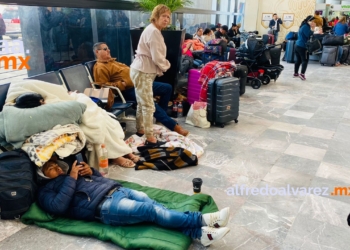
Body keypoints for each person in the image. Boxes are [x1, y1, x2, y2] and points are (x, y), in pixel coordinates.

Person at [37, 158, 231, 247]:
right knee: (152, 211)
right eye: (50, 167)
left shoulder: (72, 175)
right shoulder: (45, 191)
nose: (56, 167)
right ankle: (202, 220)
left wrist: (92, 173)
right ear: (41, 174)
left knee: (155, 206)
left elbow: (98, 181)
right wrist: (71, 177)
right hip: (105, 207)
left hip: (118, 190)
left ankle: (199, 234)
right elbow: (58, 207)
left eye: (56, 164)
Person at [13, 92, 139, 168]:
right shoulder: (38, 112)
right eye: (42, 102)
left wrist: (74, 95)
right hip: (77, 116)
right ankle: (117, 155)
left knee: (105, 120)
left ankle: (122, 152)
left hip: (79, 104)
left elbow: (66, 98)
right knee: (97, 127)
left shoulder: (48, 101)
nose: (45, 103)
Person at [93, 42, 189, 137]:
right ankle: (174, 126)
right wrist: (123, 83)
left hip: (139, 83)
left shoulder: (112, 62)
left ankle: (161, 116)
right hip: (127, 91)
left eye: (108, 48)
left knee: (167, 88)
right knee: (149, 102)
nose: (108, 50)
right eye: (105, 49)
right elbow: (104, 86)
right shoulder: (100, 67)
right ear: (97, 52)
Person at [294, 15, 316, 81]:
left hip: (297, 45)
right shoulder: (306, 27)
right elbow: (309, 35)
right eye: (311, 21)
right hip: (302, 46)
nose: (312, 23)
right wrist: (313, 29)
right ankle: (302, 74)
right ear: (308, 21)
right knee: (305, 60)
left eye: (313, 21)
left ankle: (296, 73)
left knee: (298, 60)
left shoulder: (303, 26)